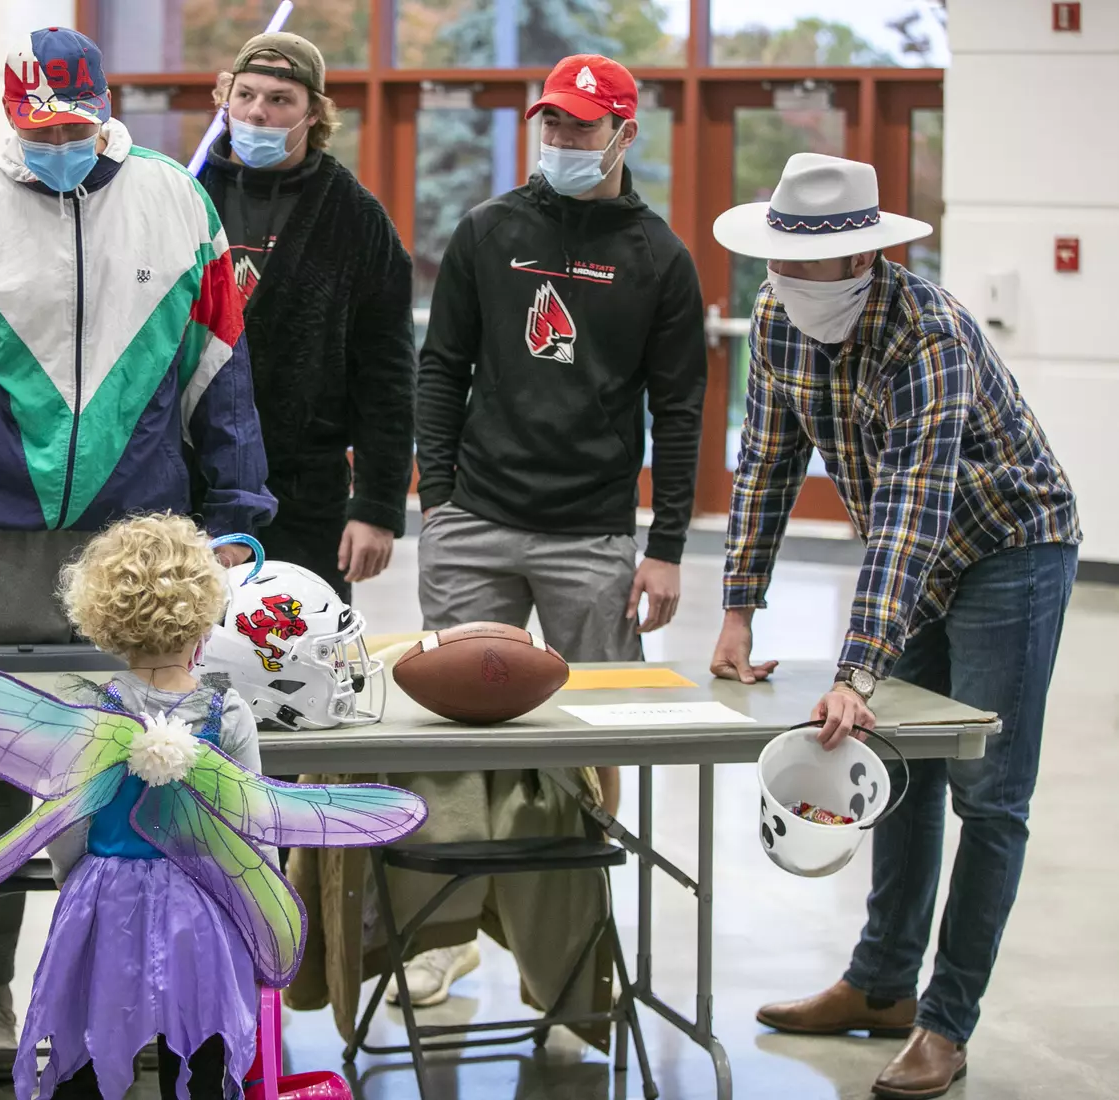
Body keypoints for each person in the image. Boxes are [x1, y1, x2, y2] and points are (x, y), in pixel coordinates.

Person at [0, 26, 274, 1051]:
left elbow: (219, 366)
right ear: (12, 115)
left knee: (152, 762)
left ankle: (142, 995)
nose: (55, 140)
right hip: (1, 534)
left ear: (106, 108)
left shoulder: (178, 205)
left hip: (141, 533)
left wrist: (235, 511)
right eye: (37, 125)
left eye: (73, 123)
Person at [710, 153, 1080, 1100]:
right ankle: (879, 985)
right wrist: (737, 610)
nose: (785, 280)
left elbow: (915, 508)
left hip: (1009, 545)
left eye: (805, 265)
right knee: (893, 770)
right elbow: (765, 466)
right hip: (912, 551)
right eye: (777, 261)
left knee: (989, 793)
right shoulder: (778, 316)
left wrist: (856, 667)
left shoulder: (929, 333)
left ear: (862, 259)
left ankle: (945, 1022)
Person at [405, 53, 706, 1005]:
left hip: (593, 537)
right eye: (552, 124)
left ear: (624, 134)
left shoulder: (659, 256)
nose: (563, 140)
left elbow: (684, 408)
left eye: (582, 125)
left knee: (588, 742)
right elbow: (441, 366)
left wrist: (666, 546)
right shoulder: (490, 231)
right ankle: (441, 933)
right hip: (476, 522)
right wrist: (441, 498)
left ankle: (573, 955)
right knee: (450, 740)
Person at [28, 513, 262, 1099]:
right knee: (202, 1044)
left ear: (102, 615)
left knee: (87, 1032)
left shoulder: (88, 714)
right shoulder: (227, 713)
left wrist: (74, 877)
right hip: (202, 902)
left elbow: (59, 818)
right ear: (207, 609)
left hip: (106, 898)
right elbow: (255, 826)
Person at [197, 32, 415, 600]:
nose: (258, 112)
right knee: (180, 666)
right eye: (245, 94)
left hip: (306, 492)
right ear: (224, 98)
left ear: (313, 112)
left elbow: (387, 377)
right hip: (189, 481)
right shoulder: (184, 196)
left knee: (298, 670)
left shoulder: (356, 219)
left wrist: (376, 507)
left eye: (280, 99)